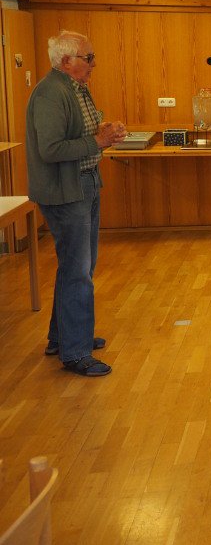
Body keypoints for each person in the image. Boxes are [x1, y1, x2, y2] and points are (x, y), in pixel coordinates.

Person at [26, 29, 127, 377]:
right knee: (78, 271)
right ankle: (76, 352)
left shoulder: (76, 88)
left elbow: (82, 134)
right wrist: (98, 140)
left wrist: (107, 131)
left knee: (77, 266)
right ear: (67, 61)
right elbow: (51, 149)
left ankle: (63, 337)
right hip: (66, 191)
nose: (94, 63)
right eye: (89, 57)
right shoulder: (50, 93)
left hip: (85, 183)